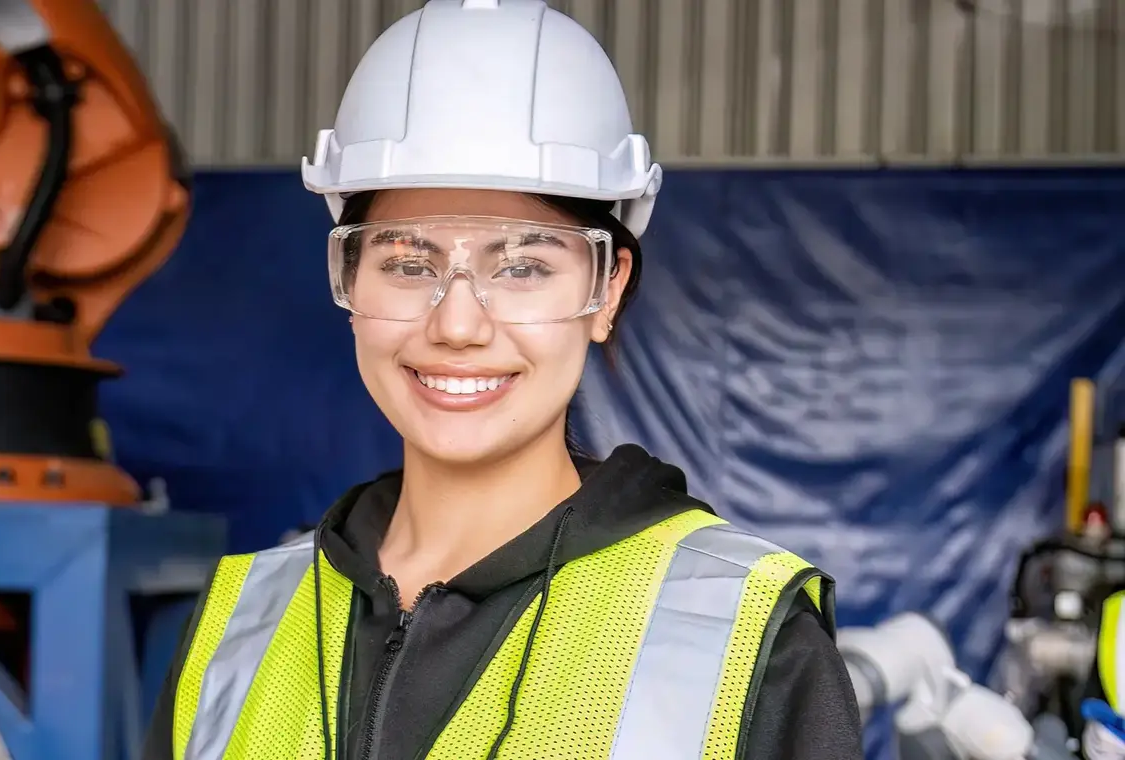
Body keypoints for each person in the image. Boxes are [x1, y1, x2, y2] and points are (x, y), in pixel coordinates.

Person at [142, 1, 865, 758]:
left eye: (522, 267)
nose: (457, 324)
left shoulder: (743, 640)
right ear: (350, 282)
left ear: (607, 290)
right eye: (408, 263)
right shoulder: (243, 623)